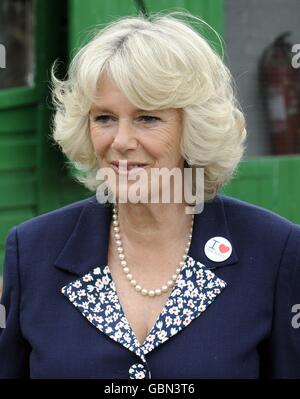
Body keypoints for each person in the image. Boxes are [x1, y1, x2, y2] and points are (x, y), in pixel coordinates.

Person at [0, 11, 299, 379]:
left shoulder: (274, 250)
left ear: (193, 127)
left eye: (147, 118)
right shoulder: (32, 252)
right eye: (104, 118)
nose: (121, 142)